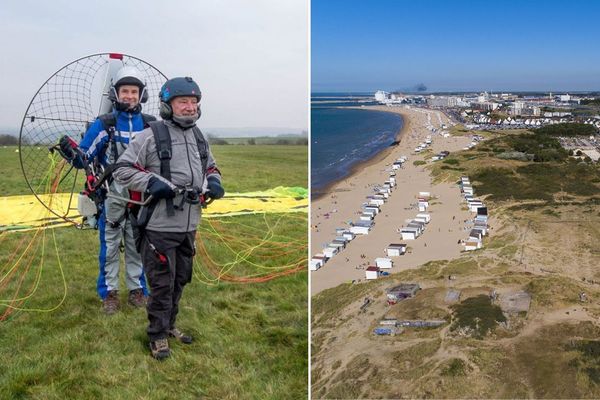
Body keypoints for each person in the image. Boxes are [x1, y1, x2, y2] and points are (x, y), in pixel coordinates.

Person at [112, 76, 224, 360]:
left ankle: (169, 325)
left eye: (194, 102)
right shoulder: (150, 135)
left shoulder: (199, 137)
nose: (189, 107)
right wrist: (150, 182)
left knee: (180, 280)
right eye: (183, 101)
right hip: (159, 226)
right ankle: (157, 335)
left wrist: (214, 181)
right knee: (162, 284)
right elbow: (122, 170)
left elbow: (211, 167)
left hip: (189, 225)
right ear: (167, 105)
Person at [60, 66, 153, 314]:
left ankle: (137, 290)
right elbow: (84, 157)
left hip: (142, 198)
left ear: (141, 94)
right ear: (116, 93)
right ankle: (109, 293)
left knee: (137, 243)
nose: (129, 96)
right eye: (125, 91)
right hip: (112, 196)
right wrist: (73, 154)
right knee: (110, 245)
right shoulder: (105, 124)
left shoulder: (151, 125)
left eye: (134, 91)